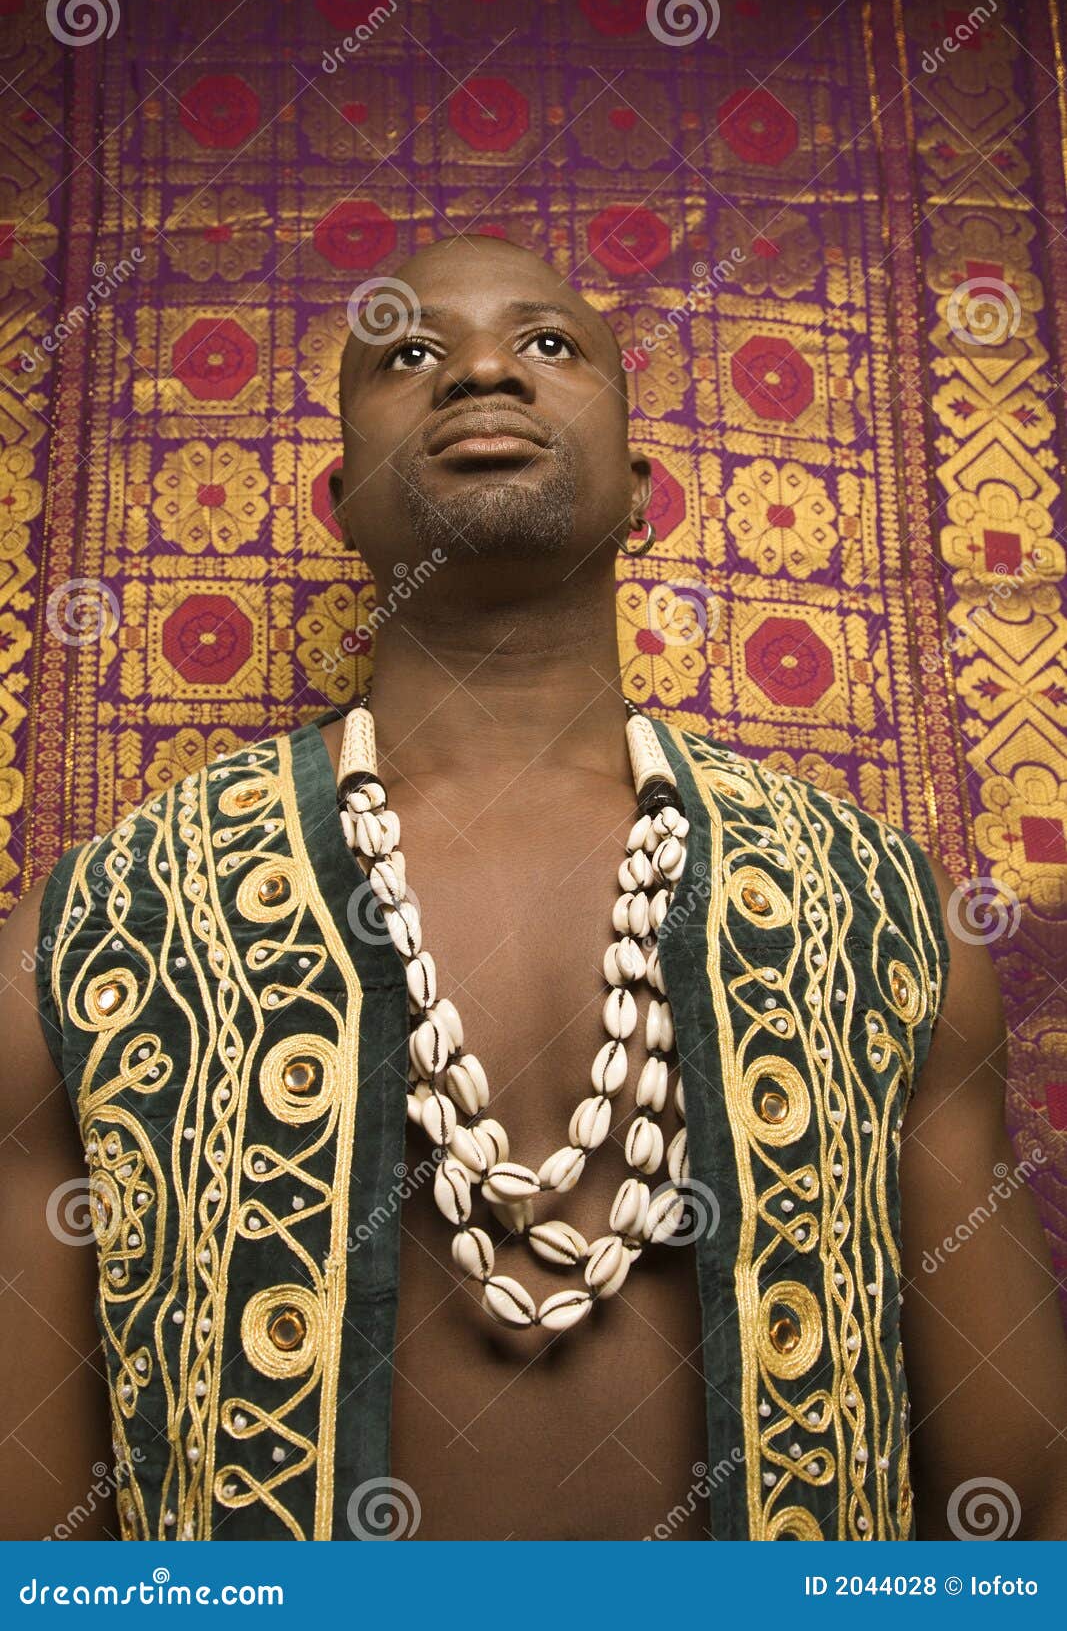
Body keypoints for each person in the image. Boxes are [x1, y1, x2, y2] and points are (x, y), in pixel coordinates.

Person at [2, 234, 1066, 1543]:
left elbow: (1022, 1489)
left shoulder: (878, 913)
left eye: (551, 345)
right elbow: (35, 1543)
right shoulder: (107, 928)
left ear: (643, 487)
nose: (482, 372)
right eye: (408, 357)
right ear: (339, 500)